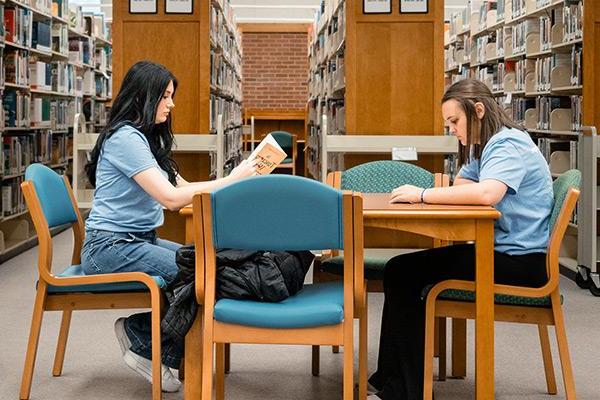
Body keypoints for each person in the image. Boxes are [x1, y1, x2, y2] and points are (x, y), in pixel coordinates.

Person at [367, 79, 553, 400]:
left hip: (520, 263)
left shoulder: (508, 143)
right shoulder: (489, 145)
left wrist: (423, 194)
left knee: (404, 272)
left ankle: (404, 389)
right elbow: (461, 183)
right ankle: (391, 379)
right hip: (503, 252)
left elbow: (486, 193)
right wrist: (469, 153)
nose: (452, 129)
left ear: (478, 110)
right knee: (400, 270)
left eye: (455, 121)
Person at [81, 60, 255, 392]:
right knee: (201, 273)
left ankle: (146, 339)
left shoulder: (144, 140)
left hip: (134, 241)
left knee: (205, 265)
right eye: (166, 96)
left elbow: (186, 189)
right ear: (144, 97)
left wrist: (234, 188)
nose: (172, 105)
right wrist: (232, 180)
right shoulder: (124, 139)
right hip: (110, 247)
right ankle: (143, 340)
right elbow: (172, 200)